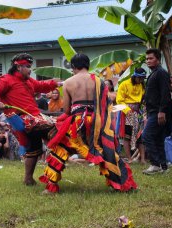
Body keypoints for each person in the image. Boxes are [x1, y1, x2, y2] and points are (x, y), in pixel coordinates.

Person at [39, 53, 137, 194]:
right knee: (108, 151)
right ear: (88, 65)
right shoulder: (99, 81)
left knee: (60, 149)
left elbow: (66, 110)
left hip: (77, 123)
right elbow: (105, 105)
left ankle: (51, 187)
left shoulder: (68, 82)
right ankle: (121, 185)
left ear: (73, 66)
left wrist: (57, 120)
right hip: (97, 123)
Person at [0, 53, 60, 185]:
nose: (30, 69)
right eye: (27, 66)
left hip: (35, 118)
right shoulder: (6, 79)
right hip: (23, 119)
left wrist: (58, 83)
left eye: (30, 66)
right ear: (18, 67)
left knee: (35, 148)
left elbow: (41, 85)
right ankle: (51, 179)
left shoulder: (28, 81)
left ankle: (28, 179)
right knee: (55, 132)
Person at [142, 48, 172, 174]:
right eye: (147, 58)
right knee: (158, 138)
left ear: (158, 59)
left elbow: (165, 93)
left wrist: (162, 111)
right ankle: (163, 166)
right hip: (152, 111)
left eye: (151, 58)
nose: (148, 61)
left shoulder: (161, 73)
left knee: (147, 135)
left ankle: (155, 164)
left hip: (158, 111)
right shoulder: (154, 73)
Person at [116, 67, 147, 163]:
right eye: (139, 78)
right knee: (127, 136)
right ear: (134, 76)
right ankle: (129, 159)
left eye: (143, 78)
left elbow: (142, 99)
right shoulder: (124, 84)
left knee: (140, 136)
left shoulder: (141, 85)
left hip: (138, 113)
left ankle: (142, 159)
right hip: (127, 114)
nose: (141, 80)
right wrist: (127, 110)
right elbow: (119, 100)